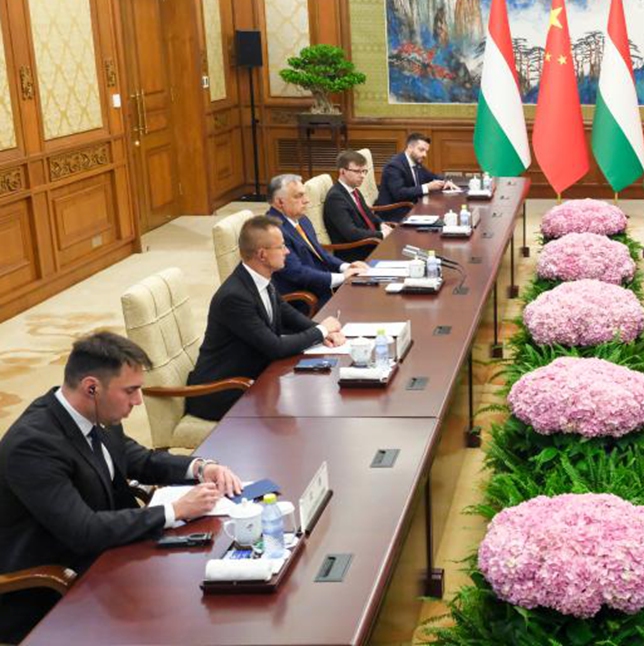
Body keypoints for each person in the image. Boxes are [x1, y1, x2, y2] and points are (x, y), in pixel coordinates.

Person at [0, 332, 243, 642]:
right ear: (92, 387)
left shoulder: (96, 412)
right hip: (56, 586)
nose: (138, 401)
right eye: (131, 391)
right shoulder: (33, 445)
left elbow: (136, 457)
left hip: (114, 554)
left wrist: (200, 467)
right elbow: (83, 531)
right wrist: (174, 510)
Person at [186, 215, 345, 421]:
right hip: (224, 392)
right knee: (309, 408)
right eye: (281, 247)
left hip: (257, 377)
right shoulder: (234, 297)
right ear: (262, 254)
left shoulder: (260, 278)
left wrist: (322, 332)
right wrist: (320, 330)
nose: (287, 251)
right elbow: (275, 348)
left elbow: (285, 312)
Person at [266, 173, 368, 308]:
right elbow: (297, 273)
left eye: (305, 194)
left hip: (323, 288)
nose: (307, 200)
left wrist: (346, 267)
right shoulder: (273, 230)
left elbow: (321, 253)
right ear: (280, 202)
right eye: (298, 196)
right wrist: (341, 278)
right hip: (305, 300)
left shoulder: (302, 219)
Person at [324, 150, 394, 262]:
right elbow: (351, 233)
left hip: (370, 243)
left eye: (364, 171)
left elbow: (368, 214)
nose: (362, 176)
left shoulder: (354, 190)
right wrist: (380, 234)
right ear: (342, 171)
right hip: (356, 252)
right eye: (357, 171)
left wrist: (381, 224)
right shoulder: (335, 198)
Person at [376, 132, 455, 207]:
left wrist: (445, 181)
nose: (425, 155)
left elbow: (431, 176)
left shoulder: (416, 163)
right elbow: (399, 194)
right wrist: (427, 187)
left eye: (426, 151)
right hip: (394, 211)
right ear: (410, 147)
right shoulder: (394, 166)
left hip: (413, 206)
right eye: (421, 150)